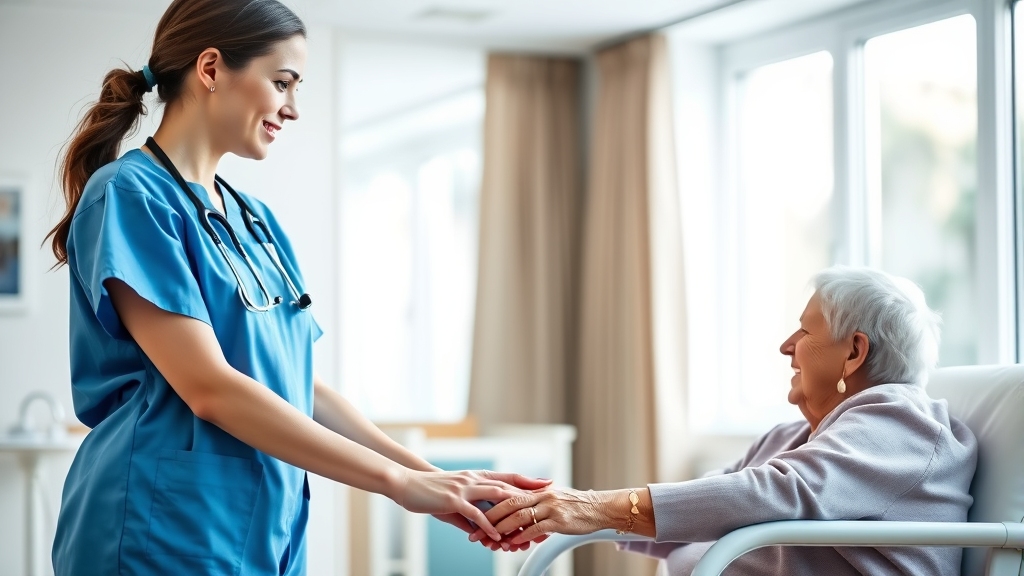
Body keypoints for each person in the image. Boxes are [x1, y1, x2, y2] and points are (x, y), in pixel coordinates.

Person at [45, 1, 547, 574]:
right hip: (162, 526)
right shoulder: (131, 195)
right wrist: (397, 483)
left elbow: (297, 380)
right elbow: (209, 386)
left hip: (266, 524)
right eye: (282, 82)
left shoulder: (254, 220)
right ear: (210, 69)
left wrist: (432, 477)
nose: (293, 108)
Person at [472, 266, 978, 576]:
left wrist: (592, 509)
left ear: (854, 352)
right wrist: (551, 506)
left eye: (804, 331)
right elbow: (706, 502)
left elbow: (783, 492)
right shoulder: (794, 437)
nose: (786, 346)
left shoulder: (904, 422)